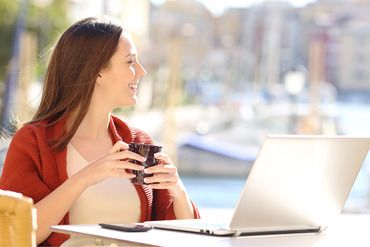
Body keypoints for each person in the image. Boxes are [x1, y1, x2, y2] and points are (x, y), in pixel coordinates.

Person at [0, 16, 200, 246]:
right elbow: (17, 234)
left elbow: (185, 236)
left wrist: (178, 191)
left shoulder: (138, 141)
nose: (141, 71)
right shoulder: (32, 141)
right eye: (130, 61)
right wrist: (85, 177)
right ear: (97, 72)